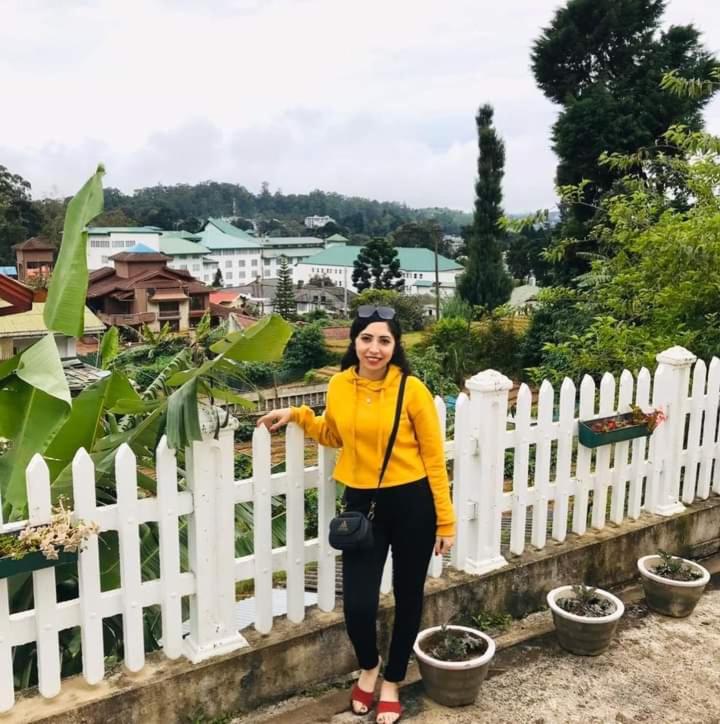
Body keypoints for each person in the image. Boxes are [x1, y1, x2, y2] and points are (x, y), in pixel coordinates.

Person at [257, 305, 455, 724]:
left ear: (396, 346)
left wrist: (445, 520)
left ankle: (393, 680)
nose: (374, 348)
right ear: (354, 341)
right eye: (366, 338)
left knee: (408, 596)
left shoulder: (412, 389)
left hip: (413, 502)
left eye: (384, 340)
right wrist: (297, 415)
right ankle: (369, 665)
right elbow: (333, 433)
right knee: (359, 604)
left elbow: (434, 460)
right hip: (363, 503)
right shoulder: (340, 385)